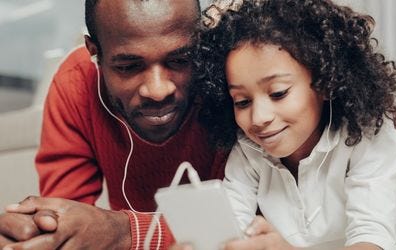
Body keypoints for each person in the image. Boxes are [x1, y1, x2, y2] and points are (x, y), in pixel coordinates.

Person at [0, 0, 229, 249]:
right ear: (93, 51)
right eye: (128, 67)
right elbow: (67, 222)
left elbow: (258, 222)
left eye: (180, 60)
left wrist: (125, 231)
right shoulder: (75, 84)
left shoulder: (236, 76)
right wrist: (41, 234)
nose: (158, 90)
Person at [190, 0, 396, 249]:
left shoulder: (368, 137)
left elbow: (371, 238)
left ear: (325, 83)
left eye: (278, 93)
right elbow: (228, 232)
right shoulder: (249, 152)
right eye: (242, 101)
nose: (259, 118)